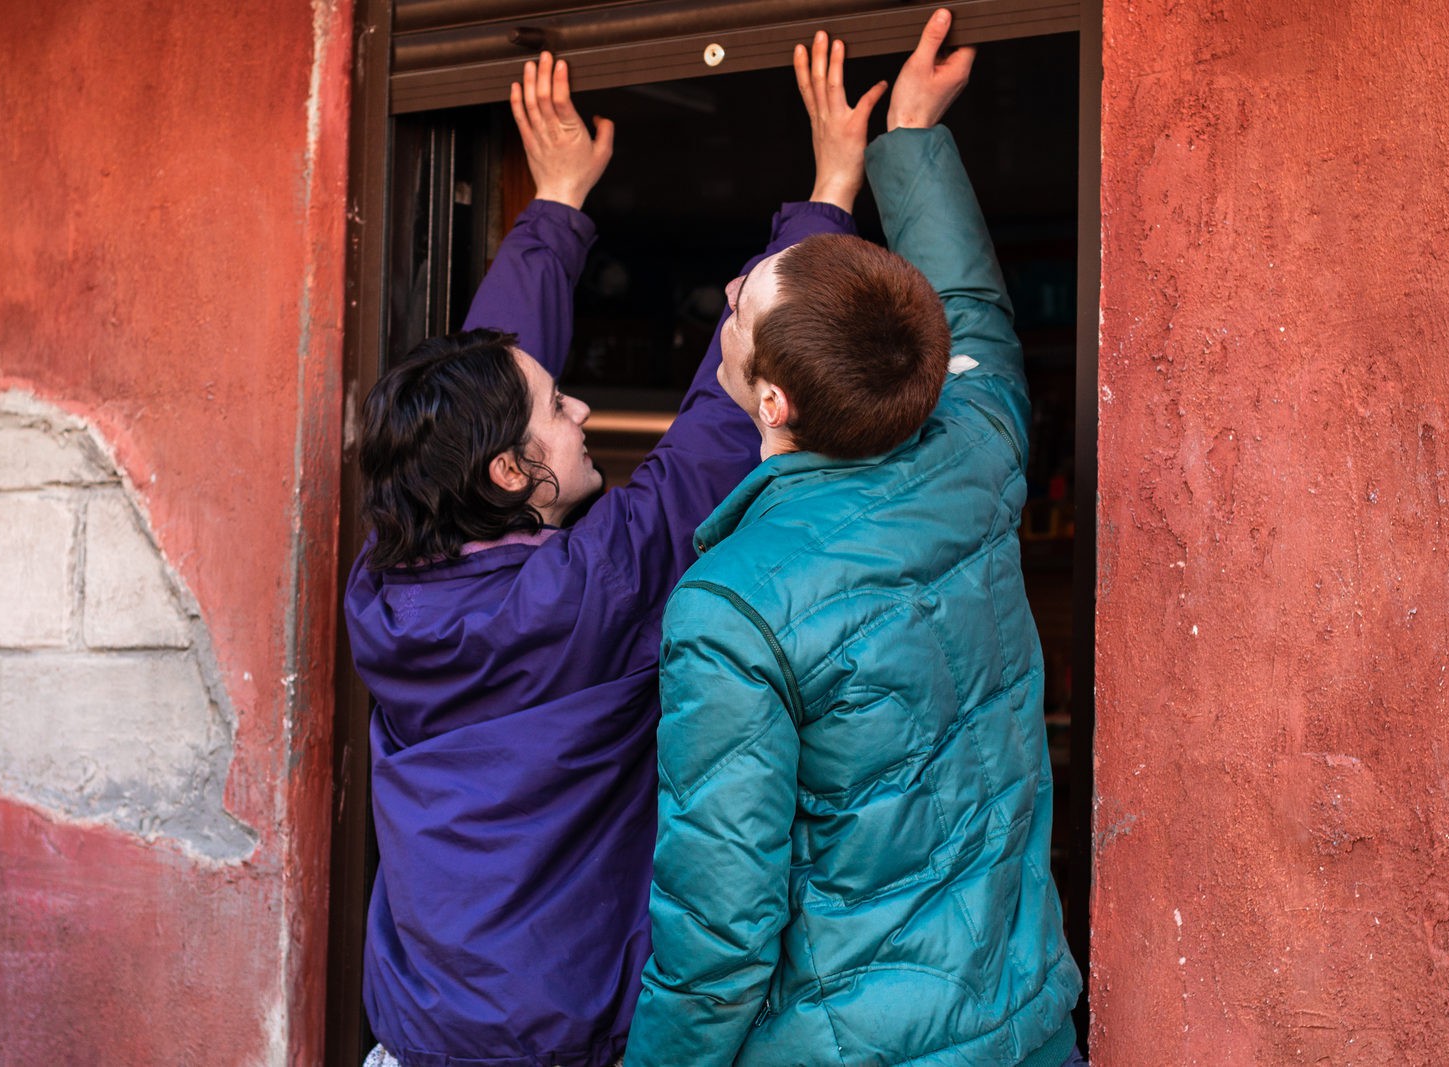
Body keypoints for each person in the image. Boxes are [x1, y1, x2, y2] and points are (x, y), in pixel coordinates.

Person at [344, 43, 887, 1067]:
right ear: (510, 472)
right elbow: (718, 425)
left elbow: (473, 402)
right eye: (559, 409)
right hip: (554, 1048)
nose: (582, 409)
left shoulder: (386, 582)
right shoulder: (582, 592)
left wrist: (554, 209)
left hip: (411, 1041)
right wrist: (827, 196)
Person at [624, 10, 1085, 1066]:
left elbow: (718, 935)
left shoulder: (731, 606)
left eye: (744, 307)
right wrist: (911, 138)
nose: (732, 288)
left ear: (772, 401)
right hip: (1023, 1030)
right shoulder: (978, 452)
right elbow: (974, 322)